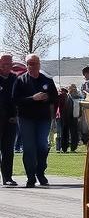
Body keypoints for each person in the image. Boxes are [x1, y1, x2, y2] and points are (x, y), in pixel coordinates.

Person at [12, 54, 58, 187]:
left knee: (42, 146)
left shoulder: (47, 80)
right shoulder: (20, 80)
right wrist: (33, 98)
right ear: (26, 65)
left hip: (43, 119)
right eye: (30, 63)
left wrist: (46, 97)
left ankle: (41, 172)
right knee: (29, 148)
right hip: (26, 118)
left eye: (35, 63)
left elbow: (55, 98)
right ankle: (30, 176)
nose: (32, 66)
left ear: (39, 64)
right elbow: (15, 100)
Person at [0, 53, 18, 186]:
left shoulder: (14, 78)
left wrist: (16, 115)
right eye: (5, 64)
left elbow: (17, 98)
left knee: (8, 149)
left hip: (10, 119)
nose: (8, 66)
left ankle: (8, 177)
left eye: (10, 64)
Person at [61, 84, 81, 153]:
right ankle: (65, 148)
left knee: (73, 133)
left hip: (73, 117)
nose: (73, 90)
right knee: (66, 133)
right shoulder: (65, 97)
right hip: (66, 117)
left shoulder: (77, 97)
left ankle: (72, 148)